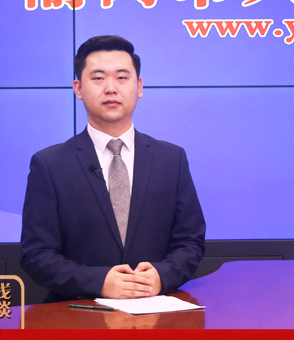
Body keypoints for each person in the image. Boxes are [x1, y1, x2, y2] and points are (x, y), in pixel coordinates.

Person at [21, 35, 206, 301]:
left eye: (121, 77)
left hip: (158, 313)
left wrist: (162, 276)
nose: (110, 88)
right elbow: (36, 255)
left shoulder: (171, 159)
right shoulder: (50, 164)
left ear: (139, 87)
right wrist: (99, 282)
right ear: (78, 88)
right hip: (77, 313)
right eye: (98, 78)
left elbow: (190, 241)